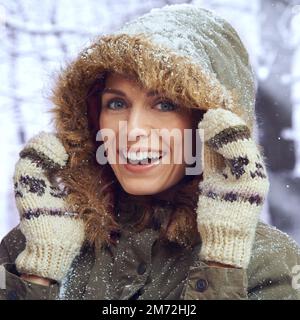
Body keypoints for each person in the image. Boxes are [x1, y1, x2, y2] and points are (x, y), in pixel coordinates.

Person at [1, 4, 300, 300]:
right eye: (117, 104)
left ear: (211, 122)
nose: (132, 130)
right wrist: (38, 273)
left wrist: (222, 265)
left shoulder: (271, 262)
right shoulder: (30, 244)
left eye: (165, 104)